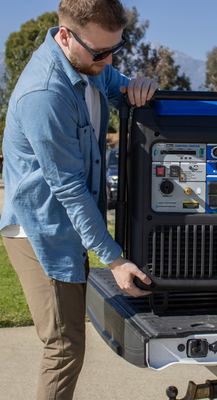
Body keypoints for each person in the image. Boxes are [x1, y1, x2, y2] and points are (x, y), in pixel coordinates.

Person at [0, 0, 158, 398]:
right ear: (65, 36)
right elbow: (69, 188)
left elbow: (121, 89)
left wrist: (139, 87)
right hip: (41, 231)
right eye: (100, 52)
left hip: (68, 224)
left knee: (67, 343)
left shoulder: (90, 65)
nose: (109, 61)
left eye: (115, 49)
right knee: (64, 346)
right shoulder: (45, 94)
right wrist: (115, 261)